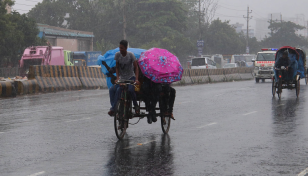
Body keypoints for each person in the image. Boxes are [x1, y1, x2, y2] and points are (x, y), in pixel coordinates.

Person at [108, 40, 140, 116]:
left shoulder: (131, 55)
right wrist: (117, 78)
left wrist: (137, 79)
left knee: (131, 90)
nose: (120, 50)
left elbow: (136, 68)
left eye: (122, 48)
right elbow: (117, 67)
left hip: (130, 77)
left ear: (126, 48)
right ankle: (113, 108)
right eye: (120, 48)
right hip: (122, 78)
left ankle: (136, 106)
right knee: (113, 89)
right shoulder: (117, 55)